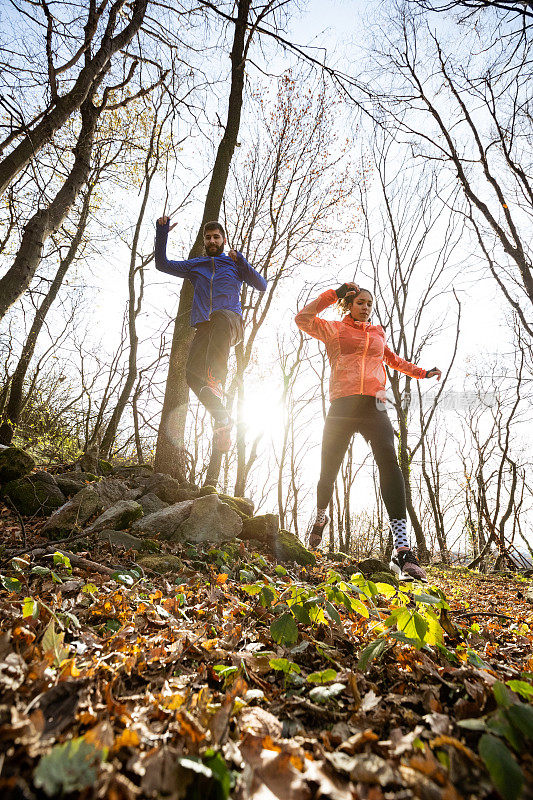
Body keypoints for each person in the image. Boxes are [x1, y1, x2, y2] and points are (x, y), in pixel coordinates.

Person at [295, 282, 442, 581]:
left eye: (370, 304)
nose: (366, 307)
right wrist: (332, 295)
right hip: (342, 405)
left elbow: (393, 360)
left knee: (389, 460)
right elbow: (302, 319)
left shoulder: (377, 333)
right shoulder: (333, 330)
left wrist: (421, 372)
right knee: (329, 470)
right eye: (360, 302)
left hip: (375, 404)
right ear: (350, 304)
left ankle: (402, 551)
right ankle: (320, 516)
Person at [155, 216, 267, 452]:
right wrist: (162, 231)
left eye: (216, 237)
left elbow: (262, 285)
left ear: (224, 240)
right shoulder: (196, 266)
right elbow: (162, 264)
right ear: (204, 242)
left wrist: (243, 262)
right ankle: (222, 418)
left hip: (230, 322)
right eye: (208, 238)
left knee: (218, 317)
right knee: (192, 376)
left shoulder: (233, 264)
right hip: (205, 327)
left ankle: (216, 380)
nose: (212, 241)